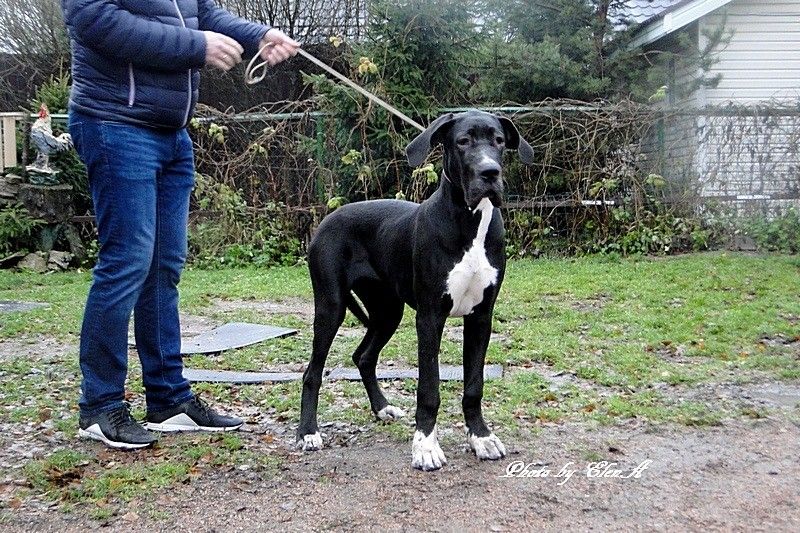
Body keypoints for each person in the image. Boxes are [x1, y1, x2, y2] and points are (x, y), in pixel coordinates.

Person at [61, 0, 299, 449]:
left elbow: (204, 13)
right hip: (115, 123)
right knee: (127, 262)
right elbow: (95, 20)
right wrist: (195, 46)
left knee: (163, 268)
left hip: (172, 132)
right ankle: (100, 405)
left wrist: (258, 35)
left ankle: (168, 399)